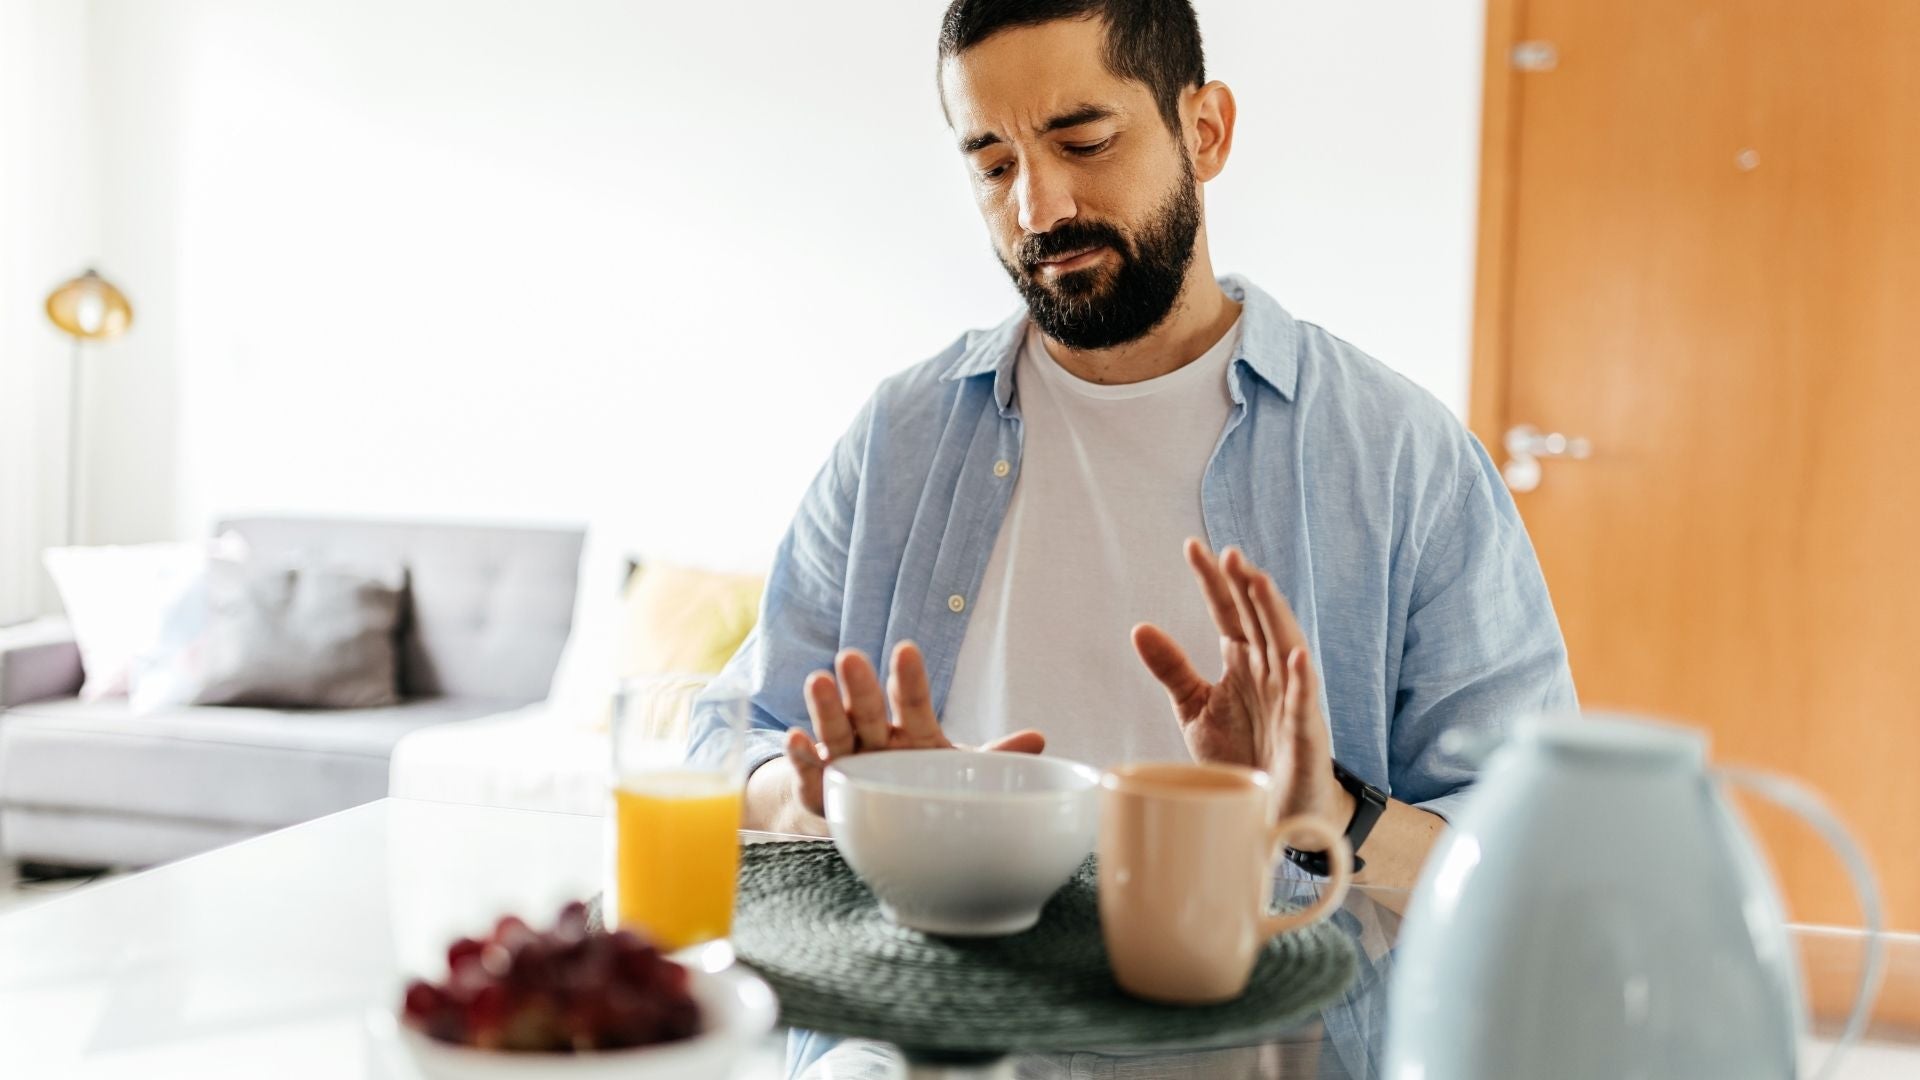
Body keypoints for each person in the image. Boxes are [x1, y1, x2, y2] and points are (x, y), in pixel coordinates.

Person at [689, 0, 1574, 896]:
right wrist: (837, 800)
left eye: (1083, 142)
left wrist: (1329, 814)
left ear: (1206, 131)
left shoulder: (1403, 458)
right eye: (995, 165)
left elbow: (1529, 863)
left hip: (1273, 1031)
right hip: (940, 1018)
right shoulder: (901, 436)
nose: (1038, 208)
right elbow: (726, 737)